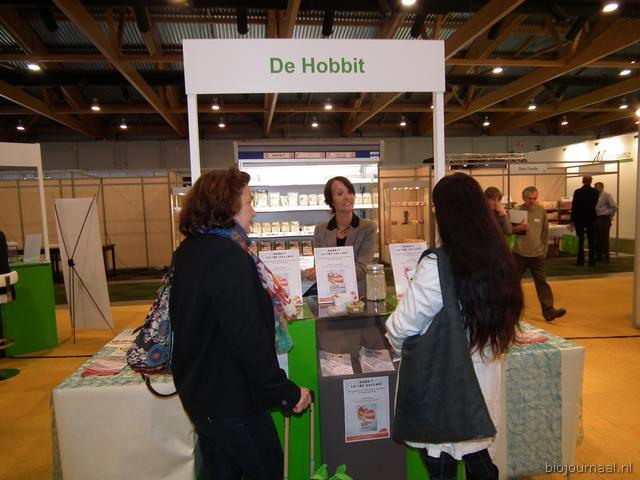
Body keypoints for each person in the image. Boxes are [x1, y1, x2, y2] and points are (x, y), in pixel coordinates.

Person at [170, 167, 311, 480]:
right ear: (228, 207)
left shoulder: (190, 250)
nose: (254, 211)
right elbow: (248, 338)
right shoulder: (228, 257)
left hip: (204, 396)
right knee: (268, 470)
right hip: (232, 401)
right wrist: (286, 392)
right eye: (249, 202)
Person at [386, 173, 522, 480]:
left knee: (443, 462)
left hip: (444, 384)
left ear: (444, 215)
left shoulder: (438, 265)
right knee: (479, 459)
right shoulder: (500, 258)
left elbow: (401, 326)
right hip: (483, 380)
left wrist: (400, 351)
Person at [309, 176, 376, 295]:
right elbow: (319, 265)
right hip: (329, 294)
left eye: (350, 192)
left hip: (359, 297)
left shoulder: (368, 228)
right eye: (340, 194)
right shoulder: (320, 230)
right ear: (331, 201)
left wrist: (324, 272)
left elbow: (362, 268)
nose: (347, 197)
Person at [513, 186, 566, 322]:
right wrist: (516, 228)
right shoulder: (517, 211)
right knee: (513, 283)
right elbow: (508, 230)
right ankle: (509, 310)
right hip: (519, 254)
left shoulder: (541, 211)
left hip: (537, 254)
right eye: (529, 198)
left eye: (535, 198)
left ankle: (549, 311)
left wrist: (544, 249)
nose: (532, 201)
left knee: (542, 283)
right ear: (524, 198)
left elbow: (545, 231)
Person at [570, 175, 599, 266]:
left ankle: (580, 261)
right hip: (591, 218)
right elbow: (595, 204)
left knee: (580, 240)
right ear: (591, 181)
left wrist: (572, 219)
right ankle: (591, 261)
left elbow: (574, 206)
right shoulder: (595, 192)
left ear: (582, 181)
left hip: (579, 218)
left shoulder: (578, 192)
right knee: (591, 240)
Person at [593, 182, 617, 263]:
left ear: (602, 187)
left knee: (604, 239)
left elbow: (614, 207)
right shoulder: (595, 196)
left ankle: (606, 257)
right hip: (596, 218)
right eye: (595, 187)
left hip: (604, 218)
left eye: (597, 187)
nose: (595, 188)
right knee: (597, 239)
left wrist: (610, 216)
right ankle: (599, 256)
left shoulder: (607, 195)